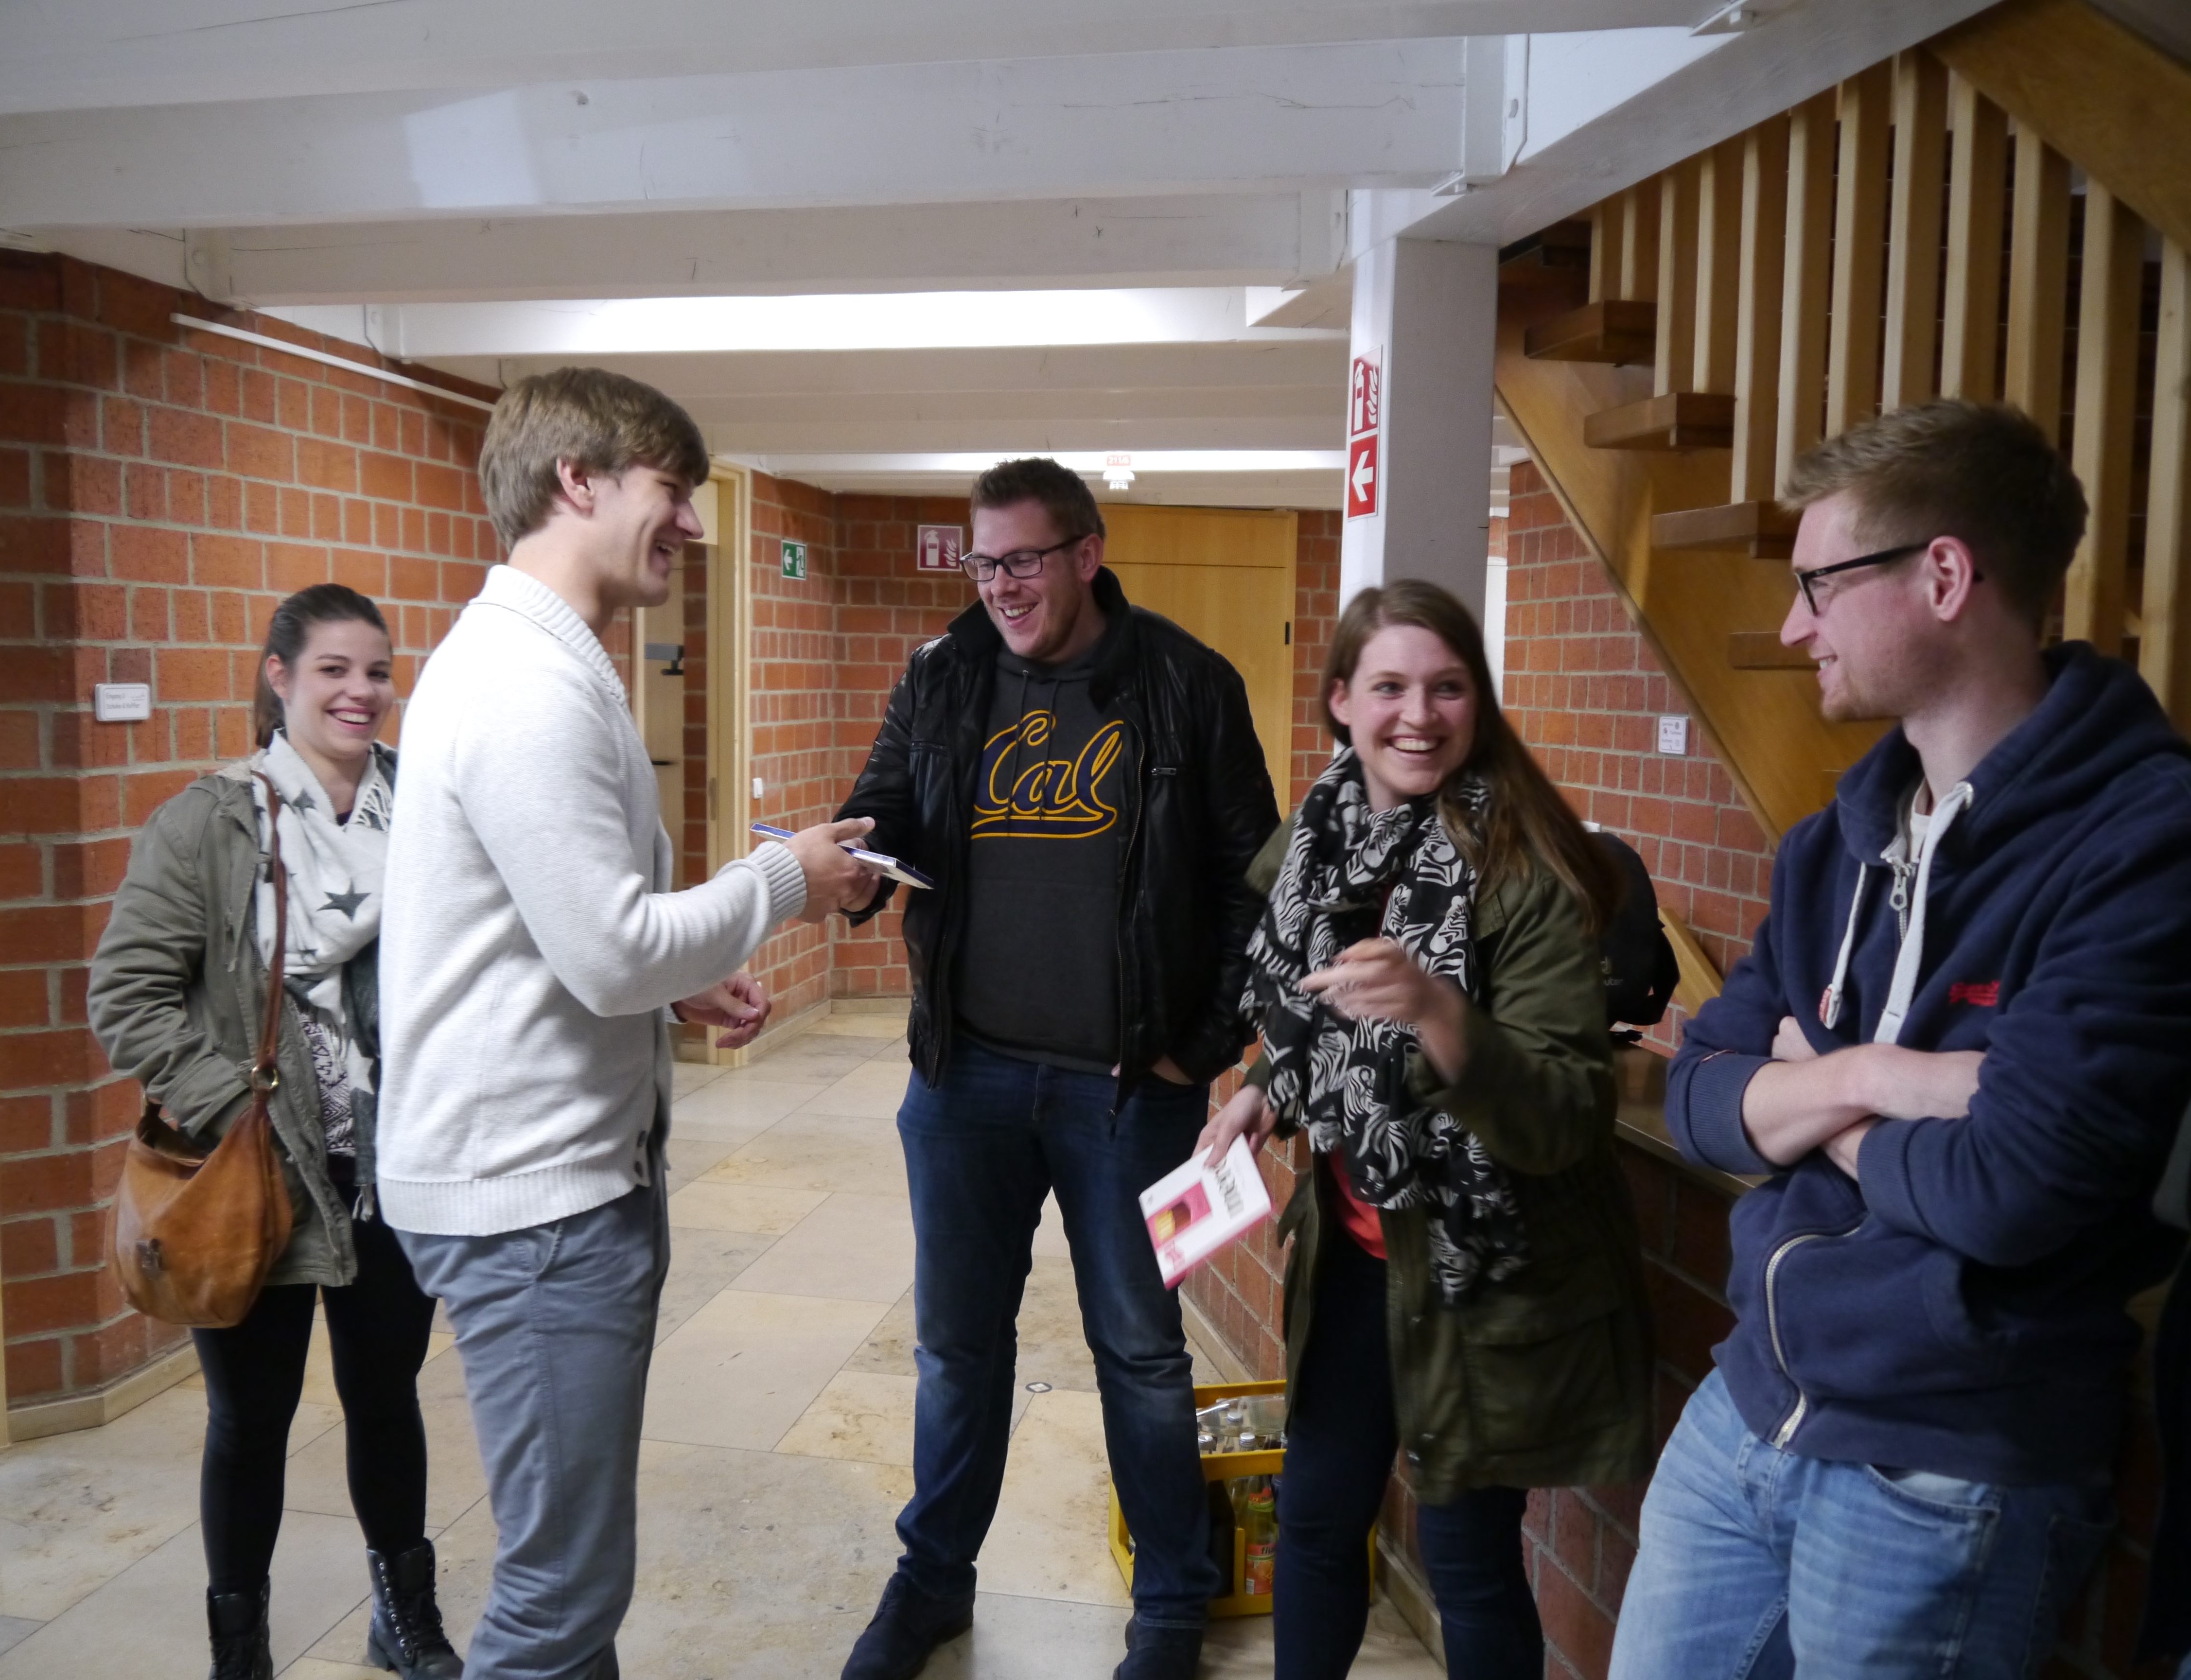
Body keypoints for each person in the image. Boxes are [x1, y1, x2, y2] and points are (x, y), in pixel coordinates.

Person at [1611, 400, 2191, 1679]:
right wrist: (1884, 1078)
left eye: (1819, 584)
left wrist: (1811, 1094)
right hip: (1750, 1405)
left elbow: (2011, 1189)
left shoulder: (2142, 842)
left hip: (1945, 1464)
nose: (1792, 626)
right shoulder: (1834, 844)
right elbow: (1700, 1096)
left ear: (1943, 577)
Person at [375, 368, 879, 1680]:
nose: (696, 526)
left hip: (554, 1184)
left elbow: (551, 932)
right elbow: (606, 952)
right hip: (532, 1203)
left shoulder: (548, 661)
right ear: (577, 481)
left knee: (575, 1583)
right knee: (557, 1599)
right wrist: (785, 879)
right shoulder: (525, 681)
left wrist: (672, 980)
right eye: (674, 490)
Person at [833, 457, 1280, 1680]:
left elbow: (1258, 884)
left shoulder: (1188, 683)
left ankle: (1172, 1607)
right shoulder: (942, 673)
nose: (1001, 586)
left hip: (1129, 1094)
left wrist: (1199, 1048)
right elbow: (882, 805)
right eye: (984, 563)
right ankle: (932, 1582)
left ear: (1088, 553)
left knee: (1141, 1351)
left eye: (1023, 559)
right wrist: (855, 863)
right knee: (956, 1349)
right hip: (963, 1082)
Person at [1199, 579, 1653, 1680]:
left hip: (1481, 1269)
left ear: (1478, 702)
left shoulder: (1530, 870)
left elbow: (1565, 1113)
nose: (1418, 715)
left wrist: (1440, 1010)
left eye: (1447, 688)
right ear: (1341, 701)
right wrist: (1267, 1087)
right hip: (1357, 1258)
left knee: (1468, 1561)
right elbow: (1316, 1014)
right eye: (1390, 687)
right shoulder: (1322, 837)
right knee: (1316, 1522)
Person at [89, 584, 463, 1680]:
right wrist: (238, 1106)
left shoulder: (425, 808)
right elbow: (127, 995)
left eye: (377, 672)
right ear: (280, 677)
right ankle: (240, 1649)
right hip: (259, 1180)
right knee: (250, 1421)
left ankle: (405, 1619)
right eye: (334, 670)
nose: (361, 692)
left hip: (395, 1171)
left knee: (385, 1400)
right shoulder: (212, 822)